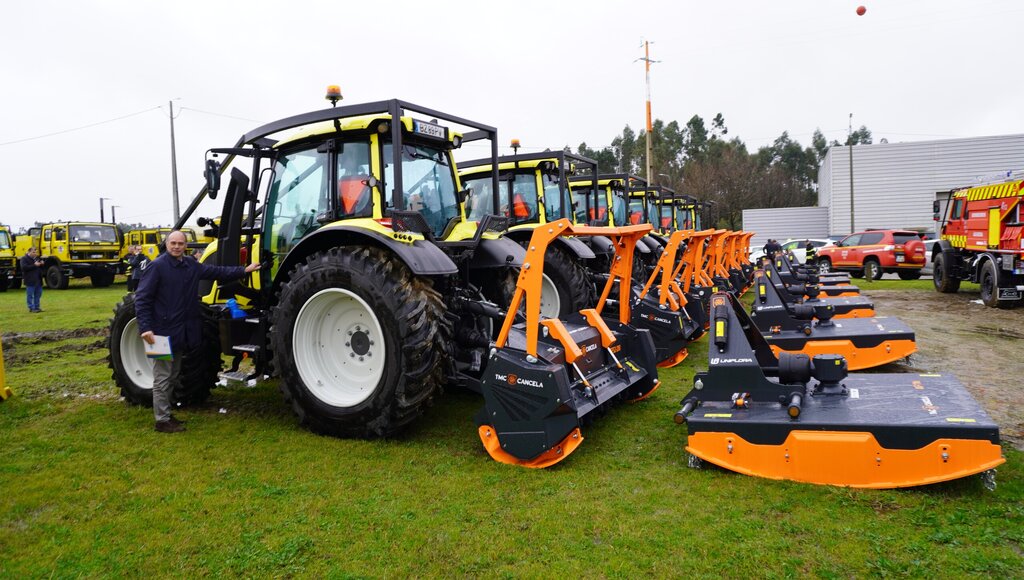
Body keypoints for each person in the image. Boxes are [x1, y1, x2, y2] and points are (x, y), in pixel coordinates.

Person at [134, 230, 261, 433]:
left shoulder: (190, 265)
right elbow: (142, 299)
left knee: (174, 374)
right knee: (162, 376)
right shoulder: (156, 267)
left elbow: (217, 272)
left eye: (180, 243)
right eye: (173, 243)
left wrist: (244, 270)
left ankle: (166, 414)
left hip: (180, 331)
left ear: (186, 246)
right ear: (167, 244)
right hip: (159, 333)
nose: (176, 246)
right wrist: (145, 328)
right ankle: (162, 420)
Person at [20, 247, 44, 313]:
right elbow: (24, 268)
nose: (35, 253)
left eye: (36, 252)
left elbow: (40, 267)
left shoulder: (37, 258)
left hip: (38, 279)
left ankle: (37, 307)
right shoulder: (24, 259)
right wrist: (34, 265)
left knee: (38, 294)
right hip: (30, 280)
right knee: (30, 295)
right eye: (33, 252)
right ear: (29, 252)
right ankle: (31, 307)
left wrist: (42, 264)